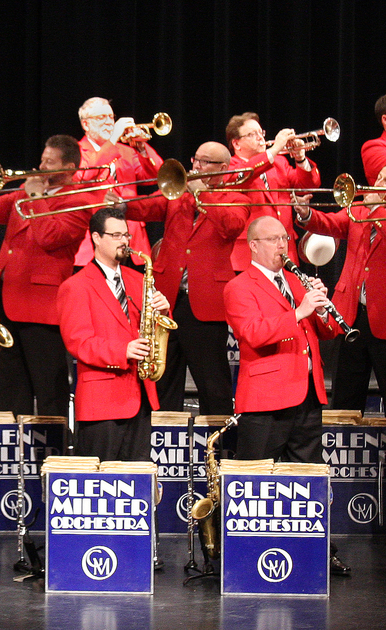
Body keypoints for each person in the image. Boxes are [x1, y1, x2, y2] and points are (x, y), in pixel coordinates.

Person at [0, 135, 102, 417]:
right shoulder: (26, 192)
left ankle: (53, 455)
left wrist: (36, 198)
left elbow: (50, 237)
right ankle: (12, 451)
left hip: (42, 307)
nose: (40, 166)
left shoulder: (79, 202)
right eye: (42, 159)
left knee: (49, 388)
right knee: (12, 386)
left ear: (70, 167)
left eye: (49, 162)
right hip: (7, 302)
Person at [223, 215, 349, 575]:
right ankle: (245, 554)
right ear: (254, 246)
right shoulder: (240, 287)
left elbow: (322, 332)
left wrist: (323, 307)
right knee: (255, 479)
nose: (282, 247)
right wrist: (299, 310)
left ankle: (317, 553)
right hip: (265, 399)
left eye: (285, 239)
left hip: (307, 394)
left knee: (308, 477)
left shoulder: (294, 281)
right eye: (274, 240)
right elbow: (253, 334)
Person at [111, 141, 250, 415]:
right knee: (162, 379)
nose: (196, 167)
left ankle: (218, 447)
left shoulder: (238, 198)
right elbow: (148, 207)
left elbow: (231, 226)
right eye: (195, 159)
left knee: (213, 384)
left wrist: (204, 196)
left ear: (223, 168)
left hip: (205, 305)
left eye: (205, 162)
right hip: (168, 301)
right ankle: (161, 444)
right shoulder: (179, 194)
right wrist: (123, 206)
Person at [295, 161, 386, 417]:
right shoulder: (359, 209)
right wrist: (306, 214)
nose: (378, 183)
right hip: (351, 314)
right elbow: (330, 224)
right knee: (345, 393)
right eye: (379, 177)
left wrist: (377, 208)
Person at [57, 207, 167, 461]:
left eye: (126, 235)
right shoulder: (75, 286)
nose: (124, 242)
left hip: (140, 396)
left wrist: (163, 312)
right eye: (116, 235)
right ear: (96, 238)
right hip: (101, 404)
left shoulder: (138, 279)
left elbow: (152, 328)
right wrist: (123, 350)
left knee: (136, 480)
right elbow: (79, 342)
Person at [225, 112, 316, 270]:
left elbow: (306, 185)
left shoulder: (279, 162)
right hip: (249, 254)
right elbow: (245, 174)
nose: (260, 138)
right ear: (236, 144)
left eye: (262, 133)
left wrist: (300, 158)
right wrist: (275, 149)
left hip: (285, 252)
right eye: (253, 134)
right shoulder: (229, 167)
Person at [74, 97, 157, 265]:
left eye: (111, 117)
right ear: (86, 125)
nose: (108, 122)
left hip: (131, 240)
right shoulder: (75, 150)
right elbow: (86, 175)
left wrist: (141, 147)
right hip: (93, 242)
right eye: (101, 118)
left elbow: (155, 177)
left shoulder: (126, 151)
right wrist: (113, 140)